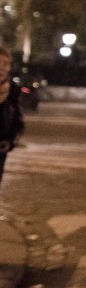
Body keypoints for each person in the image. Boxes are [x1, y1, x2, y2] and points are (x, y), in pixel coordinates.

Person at [0, 47, 24, 187]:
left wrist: (10, 141)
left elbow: (18, 121)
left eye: (6, 63)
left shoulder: (13, 90)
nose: (2, 68)